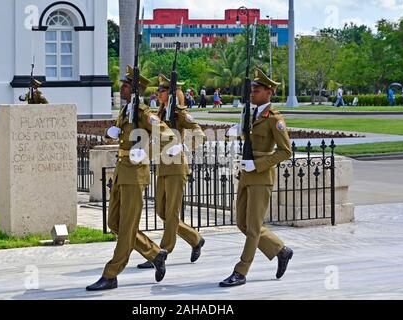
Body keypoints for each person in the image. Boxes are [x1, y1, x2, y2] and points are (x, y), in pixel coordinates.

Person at [86, 66, 175, 291]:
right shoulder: (126, 111)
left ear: (136, 89)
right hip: (121, 171)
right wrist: (111, 132)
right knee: (114, 222)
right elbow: (122, 135)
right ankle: (155, 254)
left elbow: (166, 134)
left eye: (126, 85)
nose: (122, 87)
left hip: (135, 175)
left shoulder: (144, 113)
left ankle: (111, 274)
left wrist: (149, 151)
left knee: (126, 227)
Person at [220, 68, 293, 287]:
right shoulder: (250, 114)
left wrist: (258, 164)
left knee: (252, 227)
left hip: (261, 175)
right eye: (252, 89)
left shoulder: (274, 119)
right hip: (246, 174)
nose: (253, 93)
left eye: (257, 89)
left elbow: (285, 151)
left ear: (269, 92)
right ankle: (281, 250)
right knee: (242, 223)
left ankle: (241, 271)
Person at [136, 74, 206, 270]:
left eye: (162, 90)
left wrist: (184, 146)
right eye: (158, 90)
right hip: (162, 166)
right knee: (162, 211)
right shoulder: (160, 113)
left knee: (172, 211)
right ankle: (195, 239)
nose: (158, 93)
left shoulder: (179, 113)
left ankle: (161, 252)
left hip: (176, 166)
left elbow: (199, 133)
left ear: (172, 93)